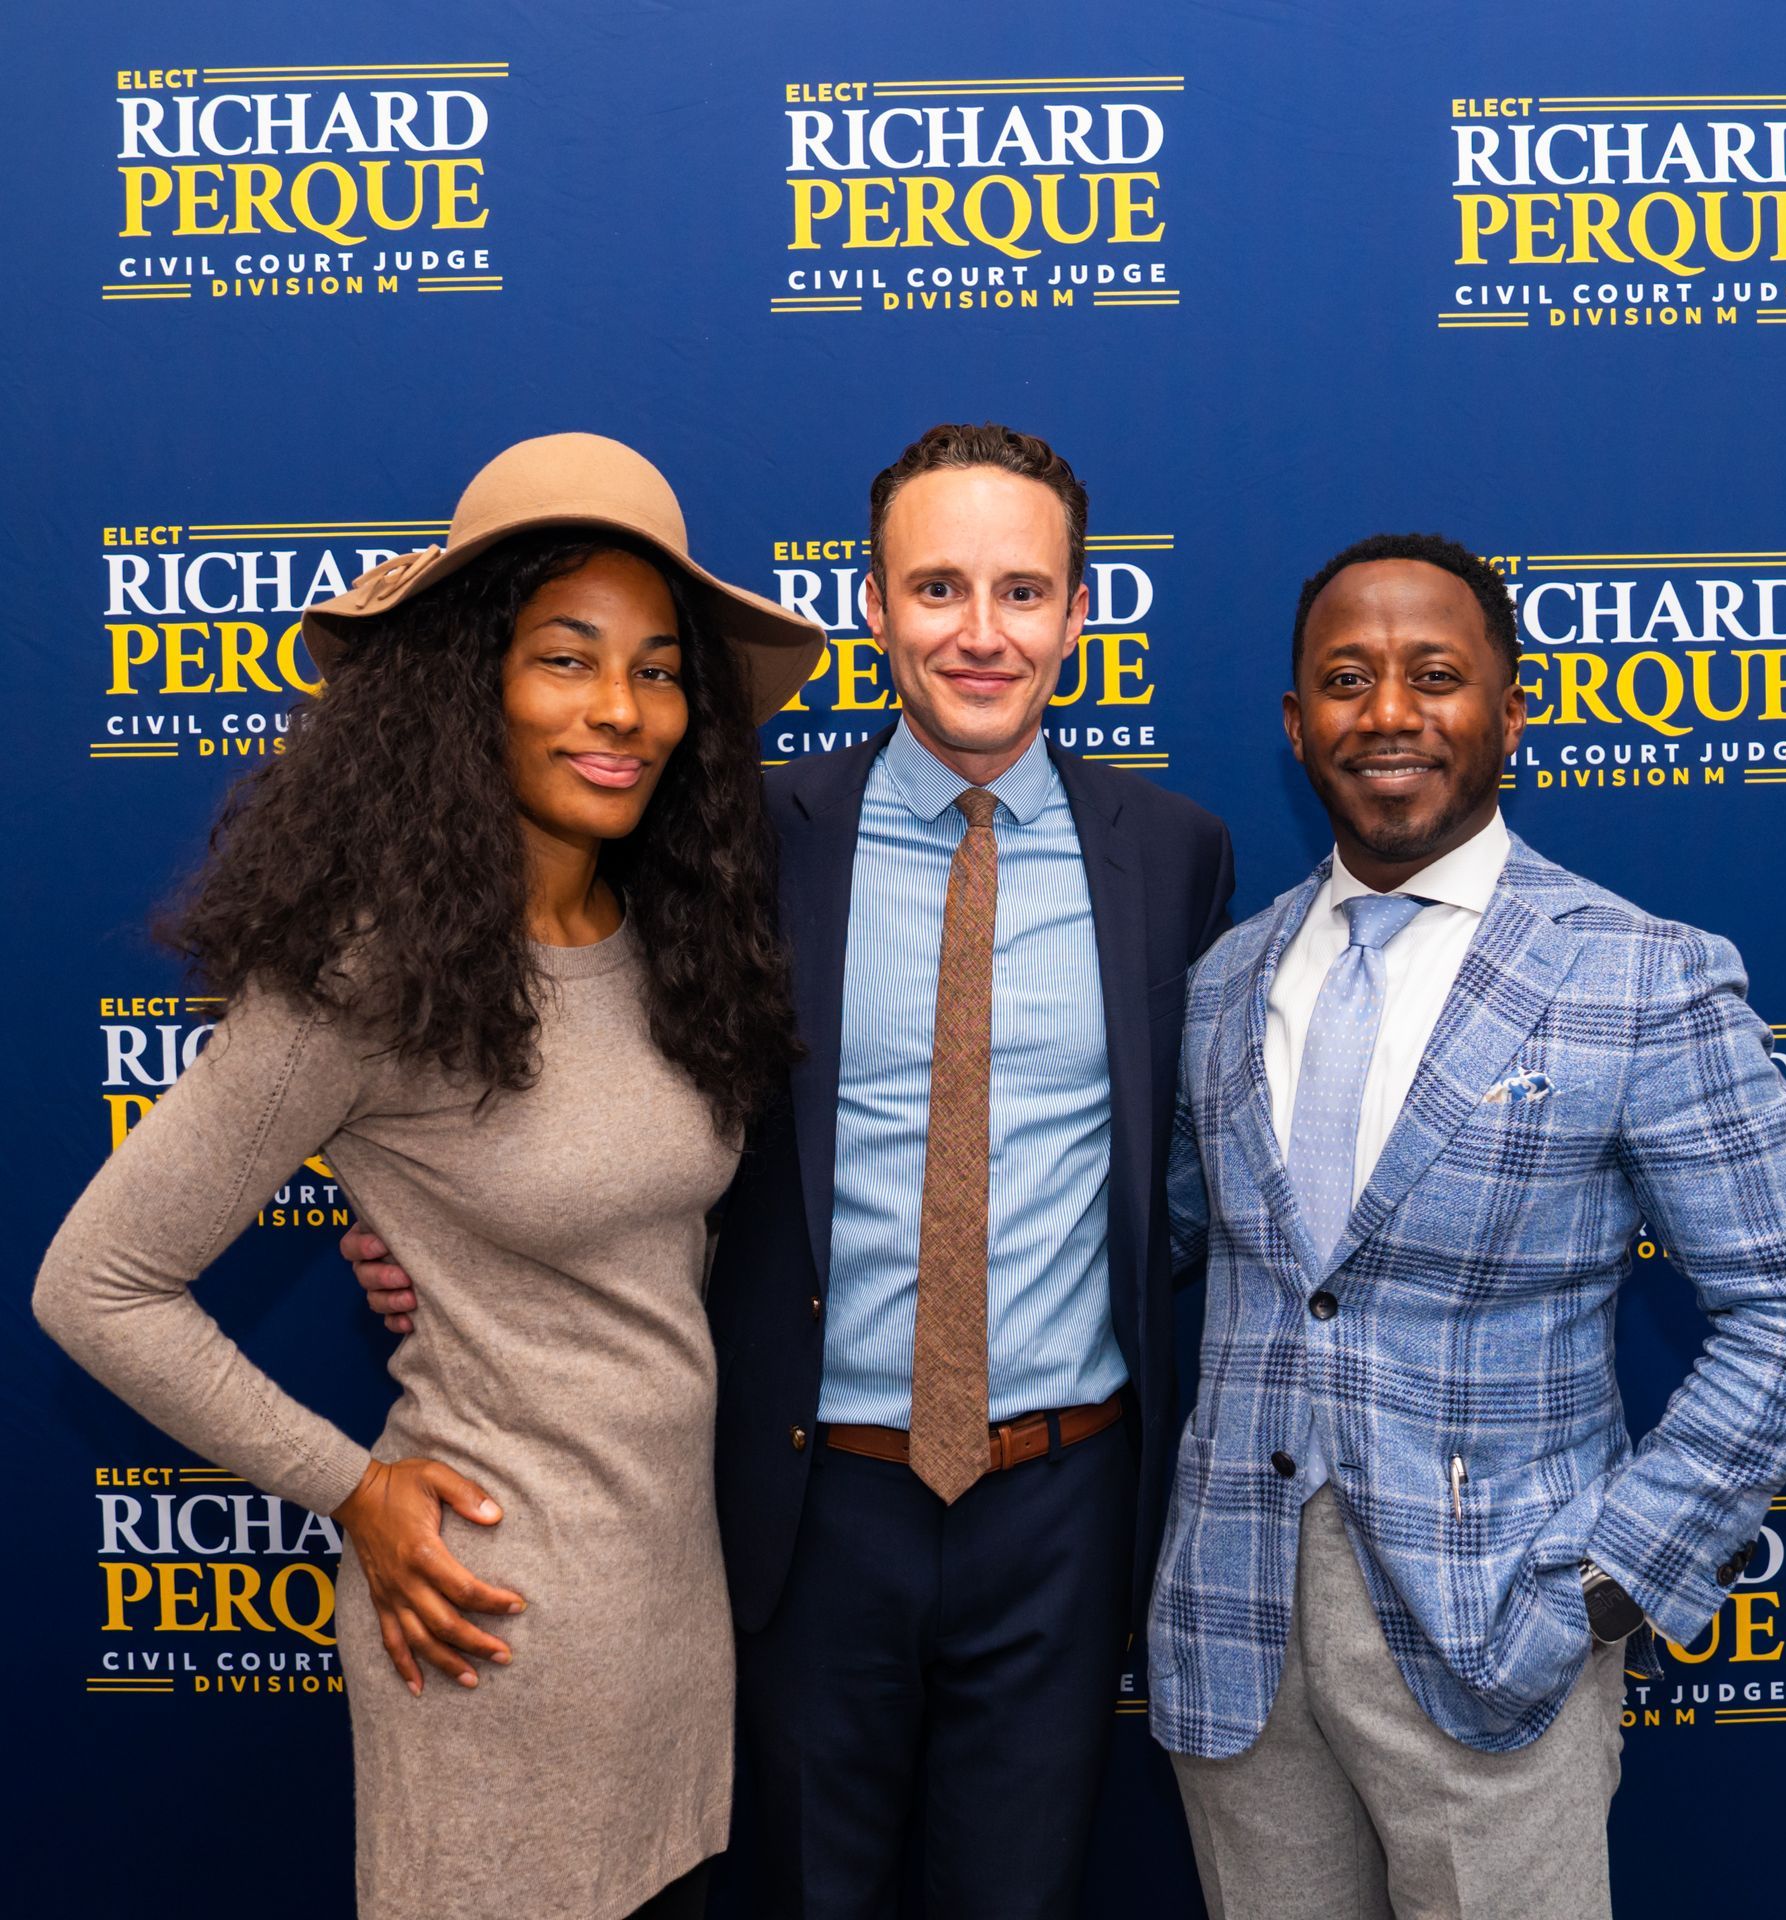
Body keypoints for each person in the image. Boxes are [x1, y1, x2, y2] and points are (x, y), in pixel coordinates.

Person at [352, 422, 1236, 1917]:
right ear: (874, 605)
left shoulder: (1175, 857)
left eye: (1023, 592)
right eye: (938, 587)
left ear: (1080, 616)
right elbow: (491, 984)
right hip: (801, 1503)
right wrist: (426, 1230)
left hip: (1063, 1508)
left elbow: (1196, 1175)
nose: (981, 632)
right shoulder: (737, 834)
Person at [34, 433, 825, 1920]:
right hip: (489, 1623)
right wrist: (356, 1490)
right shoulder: (366, 972)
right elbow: (97, 1285)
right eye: (566, 658)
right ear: (471, 683)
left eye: (659, 669)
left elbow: (632, 1263)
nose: (621, 711)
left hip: (672, 1613)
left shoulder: (679, 939)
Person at [1150, 532, 1786, 1920]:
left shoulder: (1637, 973)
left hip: (1501, 1642)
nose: (1391, 713)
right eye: (1346, 680)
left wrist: (1606, 1583)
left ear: (1511, 714)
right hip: (1234, 1639)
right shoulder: (1227, 978)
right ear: (1298, 727)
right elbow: (1178, 1244)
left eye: (1436, 675)